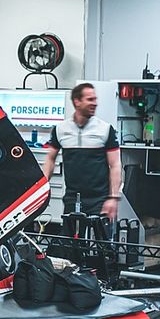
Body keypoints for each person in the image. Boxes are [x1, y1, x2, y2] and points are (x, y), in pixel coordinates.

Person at [42, 82, 122, 219]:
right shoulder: (60, 129)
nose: (95, 103)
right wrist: (42, 187)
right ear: (77, 101)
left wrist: (113, 198)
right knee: (70, 240)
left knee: (100, 240)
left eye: (95, 99)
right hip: (72, 198)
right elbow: (50, 159)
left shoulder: (105, 129)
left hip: (99, 200)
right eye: (90, 99)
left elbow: (115, 165)